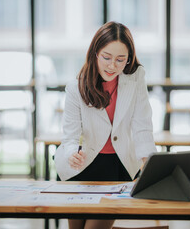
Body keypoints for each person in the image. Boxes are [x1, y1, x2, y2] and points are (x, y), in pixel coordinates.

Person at [54, 21, 157, 229]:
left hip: (117, 167)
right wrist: (72, 154)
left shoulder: (136, 78)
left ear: (129, 59)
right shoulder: (76, 87)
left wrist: (147, 161)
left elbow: (142, 125)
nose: (112, 66)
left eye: (121, 60)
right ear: (95, 54)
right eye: (107, 58)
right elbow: (70, 137)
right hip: (81, 168)